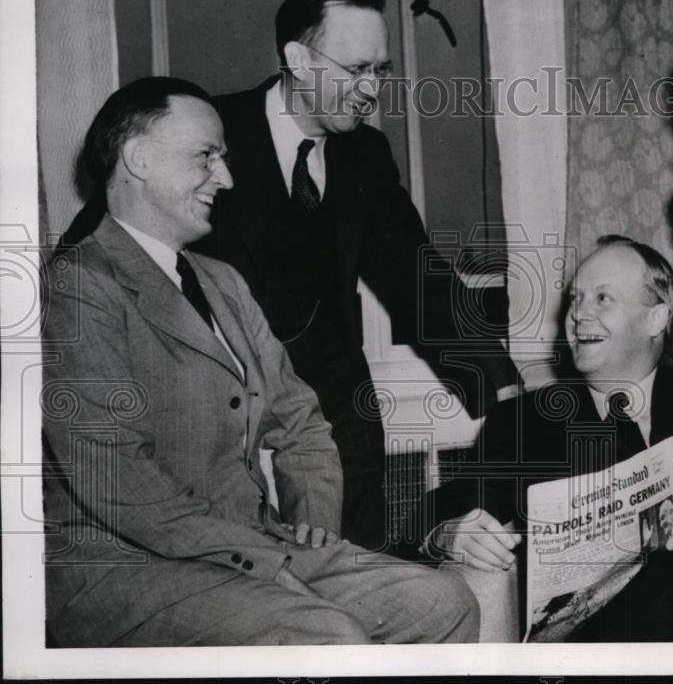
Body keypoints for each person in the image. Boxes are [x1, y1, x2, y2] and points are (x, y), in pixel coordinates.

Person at [63, 0, 523, 552]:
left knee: (354, 562)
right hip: (213, 387)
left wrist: (500, 388)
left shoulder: (365, 155)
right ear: (298, 59)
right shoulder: (210, 133)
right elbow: (104, 236)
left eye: (379, 71)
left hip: (334, 397)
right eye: (356, 69)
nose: (371, 89)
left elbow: (420, 279)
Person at [42, 77, 478, 647]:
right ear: (138, 158)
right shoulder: (74, 288)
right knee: (326, 636)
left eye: (223, 158)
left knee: (442, 602)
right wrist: (265, 562)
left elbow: (301, 420)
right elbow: (119, 481)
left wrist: (315, 526)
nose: (226, 178)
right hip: (125, 567)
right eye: (206, 157)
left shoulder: (222, 282)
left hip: (244, 549)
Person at [422, 236, 673, 641]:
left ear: (657, 319)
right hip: (589, 645)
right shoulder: (524, 421)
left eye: (602, 298)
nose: (579, 314)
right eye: (575, 299)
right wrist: (449, 533)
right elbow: (449, 503)